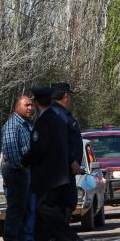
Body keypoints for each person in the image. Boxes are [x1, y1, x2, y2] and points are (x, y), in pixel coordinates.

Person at [21, 86, 82, 241]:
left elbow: (39, 148)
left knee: (45, 207)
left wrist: (24, 161)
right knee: (45, 209)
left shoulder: (44, 121)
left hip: (48, 173)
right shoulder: (57, 119)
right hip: (59, 172)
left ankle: (69, 238)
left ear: (36, 102)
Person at [0, 95, 35, 241]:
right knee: (15, 209)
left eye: (31, 105)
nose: (30, 108)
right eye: (26, 105)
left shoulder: (25, 124)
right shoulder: (13, 125)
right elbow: (11, 149)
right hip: (16, 171)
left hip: (23, 170)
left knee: (25, 208)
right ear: (17, 107)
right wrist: (20, 166)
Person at [50, 82, 83, 222]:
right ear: (65, 96)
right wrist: (72, 161)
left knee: (67, 202)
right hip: (63, 169)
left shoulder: (60, 113)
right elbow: (61, 142)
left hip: (65, 168)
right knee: (66, 202)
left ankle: (61, 235)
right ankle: (60, 236)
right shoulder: (58, 114)